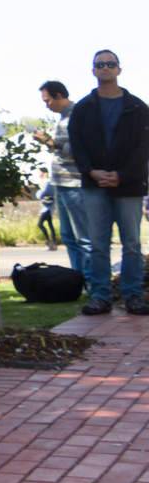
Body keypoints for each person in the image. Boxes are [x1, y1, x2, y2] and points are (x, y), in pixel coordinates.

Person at [70, 50, 149, 315]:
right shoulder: (82, 108)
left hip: (129, 185)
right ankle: (101, 296)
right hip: (94, 185)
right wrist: (91, 171)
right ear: (93, 71)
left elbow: (143, 148)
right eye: (100, 65)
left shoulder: (138, 108)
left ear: (119, 70)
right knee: (98, 244)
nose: (105, 68)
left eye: (110, 64)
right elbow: (77, 146)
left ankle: (133, 296)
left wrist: (123, 175)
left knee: (132, 244)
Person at [38, 80, 91, 277]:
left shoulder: (76, 116)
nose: (46, 105)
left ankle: (91, 281)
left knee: (83, 238)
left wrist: (50, 142)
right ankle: (78, 279)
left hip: (74, 183)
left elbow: (80, 150)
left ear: (59, 95)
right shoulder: (62, 118)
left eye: (48, 100)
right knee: (68, 237)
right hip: (60, 183)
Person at [37, 182, 59, 251]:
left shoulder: (48, 184)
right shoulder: (51, 186)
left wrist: (41, 195)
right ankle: (53, 243)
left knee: (40, 224)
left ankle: (48, 241)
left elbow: (42, 195)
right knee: (50, 226)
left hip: (46, 210)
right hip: (49, 210)